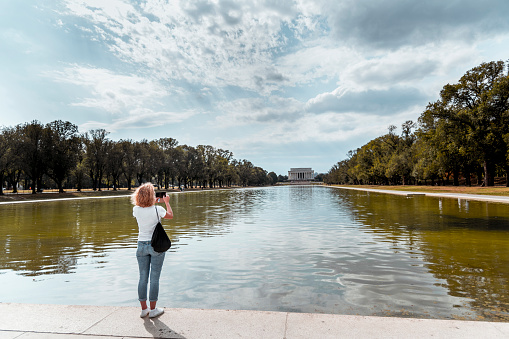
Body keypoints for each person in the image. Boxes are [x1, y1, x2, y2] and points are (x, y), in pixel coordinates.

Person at [131, 182, 173, 318]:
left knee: (142, 277)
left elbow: (145, 208)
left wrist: (152, 201)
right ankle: (153, 309)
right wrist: (166, 202)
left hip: (141, 245)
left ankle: (144, 309)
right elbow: (170, 216)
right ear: (152, 196)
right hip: (156, 246)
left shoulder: (136, 210)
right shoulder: (158, 209)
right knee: (154, 278)